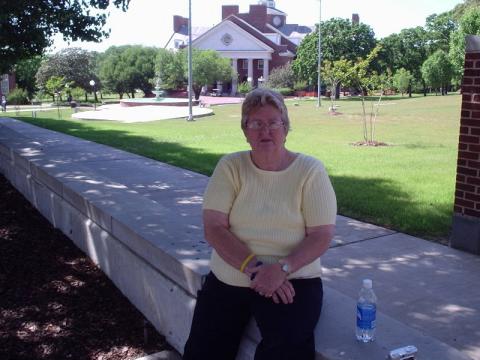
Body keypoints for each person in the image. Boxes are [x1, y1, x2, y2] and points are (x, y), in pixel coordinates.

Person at [183, 88, 337, 360]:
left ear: (286, 128)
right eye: (256, 123)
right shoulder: (231, 167)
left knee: (288, 349)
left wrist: (281, 269)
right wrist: (257, 270)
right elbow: (214, 228)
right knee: (203, 352)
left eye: (273, 123)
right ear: (245, 130)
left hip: (293, 278)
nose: (265, 131)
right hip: (232, 274)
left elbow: (321, 235)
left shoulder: (310, 171)